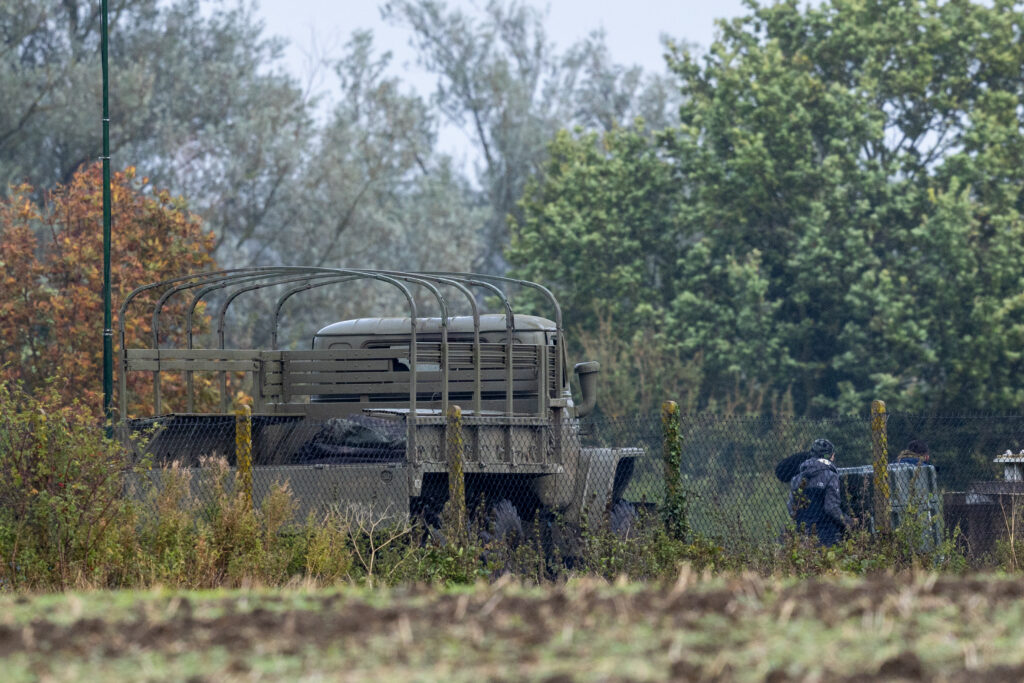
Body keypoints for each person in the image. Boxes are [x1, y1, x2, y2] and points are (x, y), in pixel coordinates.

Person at [787, 438, 854, 546]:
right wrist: (849, 522)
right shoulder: (830, 476)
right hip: (826, 536)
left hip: (803, 535)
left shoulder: (797, 478)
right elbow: (831, 507)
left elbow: (791, 507)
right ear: (831, 456)